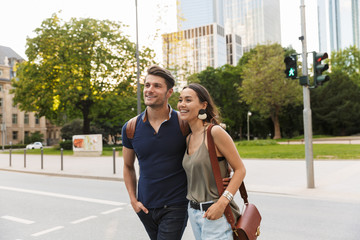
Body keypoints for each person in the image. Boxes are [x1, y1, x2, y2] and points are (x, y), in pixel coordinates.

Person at [121, 65, 189, 240]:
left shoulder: (184, 123)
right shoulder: (130, 127)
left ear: (169, 92)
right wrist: (133, 200)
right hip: (145, 208)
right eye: (147, 85)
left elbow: (206, 150)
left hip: (176, 205)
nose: (150, 90)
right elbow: (128, 166)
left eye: (157, 86)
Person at [177, 83, 246, 240]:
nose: (182, 104)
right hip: (194, 213)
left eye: (188, 100)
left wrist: (221, 204)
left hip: (216, 214)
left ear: (203, 105)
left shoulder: (214, 132)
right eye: (180, 99)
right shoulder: (188, 138)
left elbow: (240, 169)